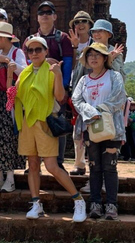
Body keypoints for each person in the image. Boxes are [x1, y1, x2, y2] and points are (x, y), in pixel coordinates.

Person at [15, 36, 86, 223]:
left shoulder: (52, 70)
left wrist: (59, 75)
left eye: (38, 49)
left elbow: (60, 96)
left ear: (46, 51)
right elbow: (17, 97)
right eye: (30, 50)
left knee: (51, 165)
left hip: (45, 121)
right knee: (32, 165)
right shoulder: (25, 73)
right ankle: (36, 203)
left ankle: (78, 200)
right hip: (28, 121)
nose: (34, 53)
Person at [72, 42, 126, 221]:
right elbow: (76, 99)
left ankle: (111, 205)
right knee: (94, 167)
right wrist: (91, 113)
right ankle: (95, 204)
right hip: (91, 129)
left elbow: (119, 97)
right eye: (90, 55)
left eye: (98, 54)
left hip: (111, 128)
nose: (93, 57)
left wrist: (100, 110)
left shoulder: (114, 76)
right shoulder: (83, 80)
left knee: (110, 167)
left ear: (105, 58)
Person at [22, 1, 73, 172]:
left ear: (54, 16)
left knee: (57, 121)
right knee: (34, 122)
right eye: (41, 12)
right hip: (35, 89)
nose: (45, 15)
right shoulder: (29, 41)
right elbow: (26, 63)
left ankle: (57, 160)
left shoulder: (63, 38)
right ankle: (34, 161)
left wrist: (63, 86)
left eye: (48, 12)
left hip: (55, 86)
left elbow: (67, 63)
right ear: (37, 17)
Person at [0, 22, 27, 192]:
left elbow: (24, 72)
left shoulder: (17, 52)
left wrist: (8, 61)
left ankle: (10, 178)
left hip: (13, 98)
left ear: (3, 38)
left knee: (9, 137)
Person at [67, 11, 94, 175]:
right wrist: (75, 47)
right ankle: (79, 164)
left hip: (93, 91)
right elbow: (71, 67)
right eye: (77, 22)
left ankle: (94, 164)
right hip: (77, 92)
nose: (81, 24)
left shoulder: (95, 45)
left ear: (90, 25)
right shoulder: (70, 44)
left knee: (93, 129)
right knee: (77, 131)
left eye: (84, 21)